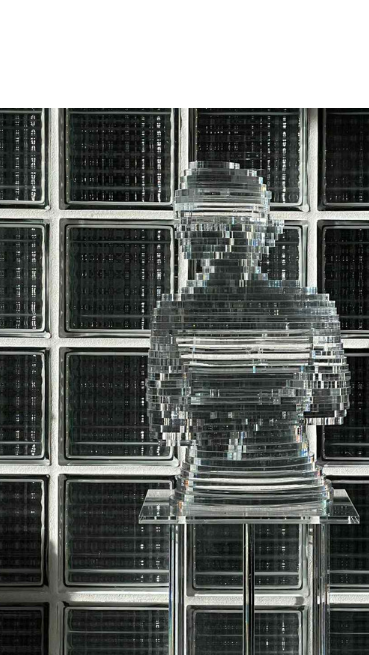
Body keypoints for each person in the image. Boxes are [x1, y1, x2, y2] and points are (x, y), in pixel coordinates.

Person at [148, 161, 350, 514]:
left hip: (210, 485)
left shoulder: (173, 314)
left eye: (231, 228)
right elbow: (330, 403)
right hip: (290, 481)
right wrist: (277, 399)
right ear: (269, 232)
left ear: (186, 237)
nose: (226, 241)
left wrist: (216, 404)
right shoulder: (312, 308)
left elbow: (167, 419)